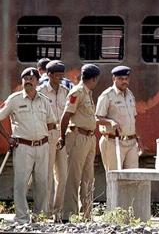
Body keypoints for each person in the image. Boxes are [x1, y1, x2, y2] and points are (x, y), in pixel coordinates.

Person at [0, 67, 56, 223]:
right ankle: (22, 217)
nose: (28, 81)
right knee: (21, 183)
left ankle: (40, 217)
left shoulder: (44, 100)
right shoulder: (14, 99)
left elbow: (51, 122)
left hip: (43, 146)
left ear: (37, 82)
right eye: (25, 78)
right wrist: (8, 137)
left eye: (32, 79)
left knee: (42, 183)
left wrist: (48, 139)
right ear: (22, 81)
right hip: (23, 146)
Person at [57, 64, 102, 222]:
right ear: (94, 79)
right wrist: (62, 137)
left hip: (89, 138)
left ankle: (86, 214)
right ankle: (68, 214)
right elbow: (66, 116)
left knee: (88, 177)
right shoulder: (78, 92)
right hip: (78, 136)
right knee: (73, 176)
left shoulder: (87, 92)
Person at [37, 60, 71, 221]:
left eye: (61, 75)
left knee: (63, 175)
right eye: (56, 75)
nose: (59, 78)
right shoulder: (41, 91)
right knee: (47, 174)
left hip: (62, 133)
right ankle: (46, 211)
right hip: (48, 133)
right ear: (48, 74)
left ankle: (58, 211)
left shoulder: (65, 91)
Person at [96, 66, 139, 174]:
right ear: (114, 79)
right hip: (113, 142)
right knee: (114, 177)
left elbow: (133, 118)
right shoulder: (107, 95)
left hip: (131, 142)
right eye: (121, 79)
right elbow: (97, 118)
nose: (124, 81)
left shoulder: (130, 95)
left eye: (126, 78)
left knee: (132, 177)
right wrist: (110, 122)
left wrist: (139, 138)